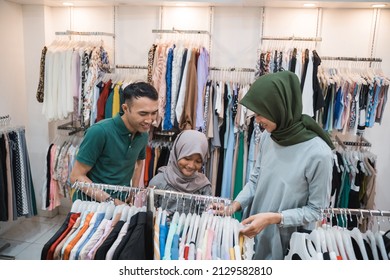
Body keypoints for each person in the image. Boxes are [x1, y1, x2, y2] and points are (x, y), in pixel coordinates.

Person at [224, 71, 335, 260]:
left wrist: (274, 218)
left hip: (286, 244)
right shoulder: (270, 136)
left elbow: (316, 210)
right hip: (253, 232)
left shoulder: (319, 154)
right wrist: (235, 205)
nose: (256, 120)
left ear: (280, 107)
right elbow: (255, 180)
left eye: (261, 113)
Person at [70, 81, 159, 206]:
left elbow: (139, 163)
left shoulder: (143, 134)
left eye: (154, 113)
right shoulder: (99, 131)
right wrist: (111, 201)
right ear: (125, 108)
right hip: (89, 206)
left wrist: (132, 193)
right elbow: (76, 176)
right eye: (143, 113)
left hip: (120, 204)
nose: (150, 120)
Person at [148, 129, 212, 215]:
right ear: (177, 153)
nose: (191, 165)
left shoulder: (203, 186)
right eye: (187, 158)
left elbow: (205, 217)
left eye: (198, 161)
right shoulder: (158, 182)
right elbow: (149, 214)